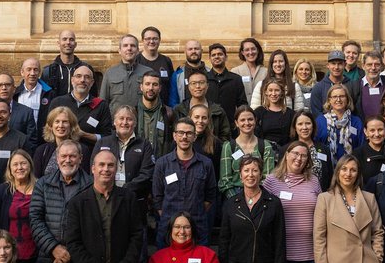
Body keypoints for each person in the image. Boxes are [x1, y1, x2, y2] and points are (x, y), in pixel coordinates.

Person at [152, 118, 218, 246]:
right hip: (168, 228)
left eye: (189, 133)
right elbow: (157, 196)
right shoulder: (162, 164)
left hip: (197, 227)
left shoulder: (206, 164)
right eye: (181, 133)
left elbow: (210, 196)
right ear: (174, 136)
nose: (184, 137)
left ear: (194, 137)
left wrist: (196, 211)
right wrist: (169, 217)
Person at [94, 105, 156, 204]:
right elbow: (93, 169)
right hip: (105, 198)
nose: (125, 122)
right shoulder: (103, 143)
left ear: (135, 123)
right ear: (114, 122)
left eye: (129, 119)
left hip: (134, 199)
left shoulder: (144, 144)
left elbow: (147, 173)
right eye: (121, 118)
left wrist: (126, 189)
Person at [219, 106, 277, 198]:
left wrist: (256, 198)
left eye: (250, 119)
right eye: (242, 120)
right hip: (234, 196)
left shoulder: (265, 146)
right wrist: (236, 200)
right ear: (236, 123)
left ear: (255, 121)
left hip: (260, 195)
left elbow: (268, 178)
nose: (247, 123)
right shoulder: (229, 147)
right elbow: (225, 180)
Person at [52, 63, 113, 146]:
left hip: (90, 153)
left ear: (92, 83)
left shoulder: (101, 106)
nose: (82, 80)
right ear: (72, 80)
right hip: (62, 154)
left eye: (87, 77)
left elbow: (107, 136)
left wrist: (84, 135)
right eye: (78, 76)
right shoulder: (58, 102)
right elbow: (49, 130)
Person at [101, 34, 154, 115]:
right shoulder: (110, 73)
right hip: (116, 124)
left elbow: (155, 101)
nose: (129, 48)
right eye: (125, 45)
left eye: (133, 46)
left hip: (142, 123)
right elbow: (103, 102)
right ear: (119, 50)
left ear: (137, 50)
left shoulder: (147, 73)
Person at [173, 68, 232, 142]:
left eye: (201, 82)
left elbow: (225, 136)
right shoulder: (179, 109)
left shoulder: (218, 111)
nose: (197, 86)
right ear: (188, 87)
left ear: (207, 86)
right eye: (193, 83)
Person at [33, 106, 89, 177]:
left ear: (71, 126)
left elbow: (85, 179)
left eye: (65, 122)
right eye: (57, 121)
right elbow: (36, 179)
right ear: (51, 126)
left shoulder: (82, 150)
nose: (60, 125)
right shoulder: (41, 151)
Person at [316, 85, 364, 161]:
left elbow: (361, 146)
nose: (338, 99)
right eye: (334, 97)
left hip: (350, 167)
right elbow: (316, 146)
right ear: (329, 100)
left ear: (347, 99)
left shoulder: (356, 121)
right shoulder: (320, 121)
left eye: (342, 96)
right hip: (327, 167)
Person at [41, 29, 91, 98]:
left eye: (71, 39)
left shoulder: (85, 69)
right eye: (64, 39)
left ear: (75, 44)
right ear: (58, 43)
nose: (68, 42)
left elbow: (92, 96)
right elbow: (44, 97)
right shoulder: (48, 71)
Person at [292, 110, 333, 190]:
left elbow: (329, 177)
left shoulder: (324, 149)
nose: (304, 127)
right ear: (295, 128)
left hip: (320, 196)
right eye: (300, 124)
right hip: (294, 197)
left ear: (313, 126)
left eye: (308, 123)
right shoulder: (287, 149)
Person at [135, 73, 173, 157]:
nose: (151, 88)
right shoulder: (133, 113)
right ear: (141, 87)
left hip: (161, 162)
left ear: (160, 88)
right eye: (147, 84)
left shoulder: (168, 113)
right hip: (138, 162)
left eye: (155, 84)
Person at [206, 43, 246, 123]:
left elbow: (242, 104)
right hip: (208, 125)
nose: (217, 56)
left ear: (226, 57)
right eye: (213, 55)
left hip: (230, 125)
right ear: (210, 58)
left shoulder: (236, 79)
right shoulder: (204, 79)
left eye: (220, 54)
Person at [136, 26, 174, 105]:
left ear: (159, 40)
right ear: (142, 40)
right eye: (148, 39)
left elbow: (171, 86)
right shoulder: (136, 61)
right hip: (141, 109)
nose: (152, 41)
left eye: (155, 38)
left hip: (163, 109)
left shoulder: (166, 61)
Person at [347, 50, 385, 121]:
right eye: (369, 64)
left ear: (382, 66)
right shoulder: (353, 86)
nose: (373, 68)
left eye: (377, 64)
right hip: (362, 129)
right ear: (363, 66)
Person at [14, 57, 55, 127]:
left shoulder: (49, 94)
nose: (32, 73)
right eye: (29, 69)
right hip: (20, 136)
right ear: (22, 72)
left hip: (40, 136)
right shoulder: (15, 93)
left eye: (35, 70)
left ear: (39, 72)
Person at [254, 78, 294, 148]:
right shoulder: (258, 112)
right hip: (263, 151)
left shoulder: (291, 114)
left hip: (284, 151)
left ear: (282, 92)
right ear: (266, 92)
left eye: (277, 90)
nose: (273, 94)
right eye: (270, 90)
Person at [309, 50, 349, 117]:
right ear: (328, 65)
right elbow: (316, 112)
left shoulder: (352, 85)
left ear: (345, 65)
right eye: (333, 63)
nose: (336, 67)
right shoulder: (318, 87)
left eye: (340, 64)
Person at [170, 38, 206, 107]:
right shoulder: (177, 75)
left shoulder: (210, 72)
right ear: (185, 52)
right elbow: (173, 101)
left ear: (201, 51)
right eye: (190, 49)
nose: (193, 51)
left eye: (196, 49)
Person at [232, 37, 268, 106]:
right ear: (242, 52)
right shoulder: (235, 71)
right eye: (247, 50)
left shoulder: (266, 72)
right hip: (242, 113)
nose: (250, 52)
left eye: (253, 49)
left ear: (257, 50)